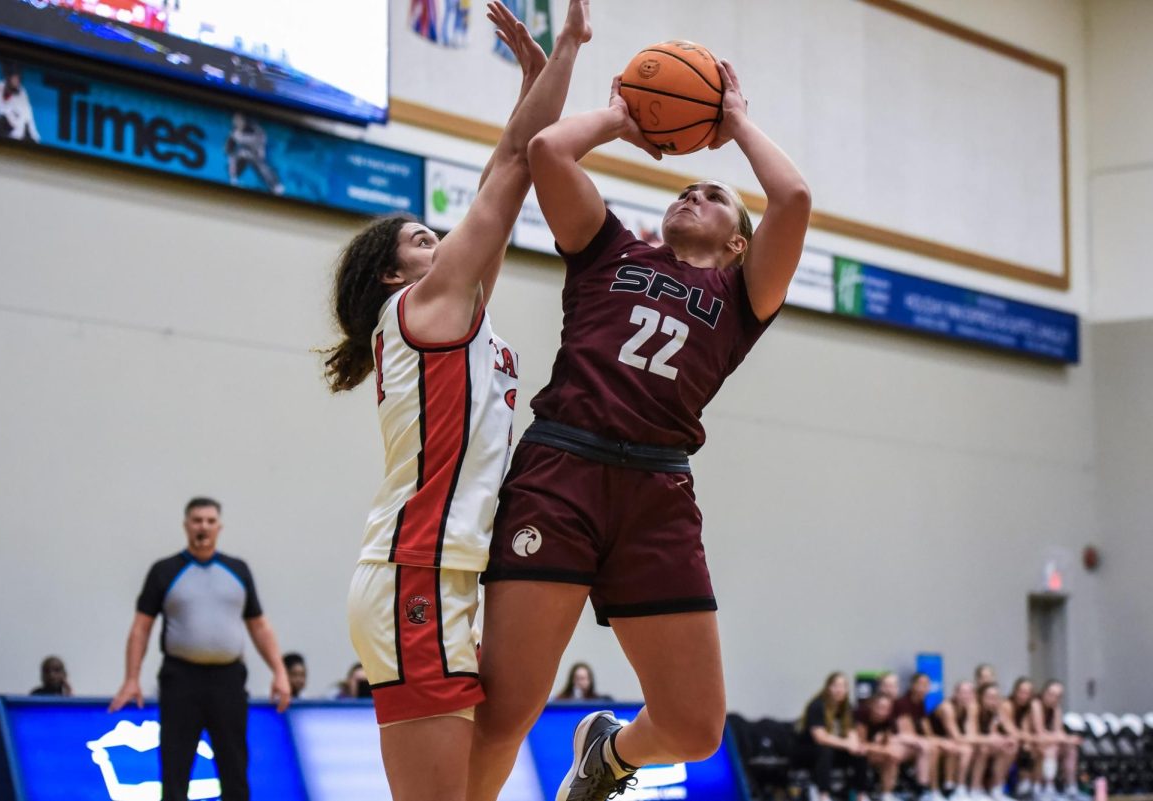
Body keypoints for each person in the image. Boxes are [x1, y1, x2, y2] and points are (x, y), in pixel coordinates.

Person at [467, 47, 811, 801]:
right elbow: (548, 148)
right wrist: (624, 119)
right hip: (563, 470)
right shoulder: (608, 248)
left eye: (713, 195)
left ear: (736, 243)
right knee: (507, 706)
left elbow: (793, 198)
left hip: (657, 488)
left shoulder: (742, 295)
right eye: (686, 187)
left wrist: (735, 123)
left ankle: (610, 754)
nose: (693, 192)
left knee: (695, 727)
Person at [325, 4, 590, 800]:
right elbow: (513, 169)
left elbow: (499, 180)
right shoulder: (419, 312)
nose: (436, 240)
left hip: (444, 573)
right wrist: (568, 55)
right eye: (417, 239)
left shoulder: (454, 311)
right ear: (390, 273)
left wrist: (532, 85)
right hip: (416, 571)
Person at [108, 497, 291, 801]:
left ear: (219, 527)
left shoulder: (237, 570)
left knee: (234, 767)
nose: (203, 527)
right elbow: (141, 627)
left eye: (209, 521)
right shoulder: (164, 571)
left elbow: (259, 626)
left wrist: (279, 672)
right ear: (186, 526)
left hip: (228, 681)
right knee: (176, 767)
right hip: (181, 679)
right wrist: (132, 679)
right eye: (197, 521)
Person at [867, 673, 942, 801]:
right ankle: (886, 793)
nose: (891, 689)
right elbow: (875, 736)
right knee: (893, 753)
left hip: (892, 743)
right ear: (880, 687)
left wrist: (926, 741)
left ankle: (924, 790)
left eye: (894, 686)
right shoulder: (871, 705)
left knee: (930, 749)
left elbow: (904, 733)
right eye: (887, 685)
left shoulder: (899, 705)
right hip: (871, 747)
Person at [797, 673, 870, 801]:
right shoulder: (817, 705)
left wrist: (855, 745)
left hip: (834, 749)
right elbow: (820, 737)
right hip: (808, 750)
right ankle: (823, 794)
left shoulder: (846, 708)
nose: (839, 689)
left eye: (843, 686)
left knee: (860, 752)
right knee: (825, 750)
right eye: (835, 685)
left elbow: (851, 732)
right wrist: (846, 744)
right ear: (828, 687)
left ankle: (861, 794)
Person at [897, 672, 965, 801]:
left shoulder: (921, 704)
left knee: (950, 746)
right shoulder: (903, 703)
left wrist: (939, 740)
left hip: (921, 740)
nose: (924, 688)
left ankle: (949, 787)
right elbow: (908, 733)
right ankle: (932, 790)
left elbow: (927, 730)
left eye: (927, 685)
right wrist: (935, 741)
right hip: (906, 743)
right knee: (932, 749)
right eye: (921, 684)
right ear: (912, 685)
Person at [930, 681, 984, 801]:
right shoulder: (946, 707)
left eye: (970, 693)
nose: (966, 696)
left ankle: (974, 788)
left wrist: (971, 714)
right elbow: (956, 737)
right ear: (955, 693)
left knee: (981, 749)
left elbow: (972, 734)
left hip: (951, 743)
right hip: (934, 741)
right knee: (966, 750)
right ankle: (956, 787)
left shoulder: (970, 707)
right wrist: (988, 739)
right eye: (963, 692)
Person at [1035, 680, 1083, 801]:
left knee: (1070, 749)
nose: (1054, 698)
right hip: (1033, 742)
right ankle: (1047, 787)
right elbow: (1040, 733)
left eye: (1058, 696)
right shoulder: (1036, 704)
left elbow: (1058, 731)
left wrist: (1066, 740)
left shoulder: (1056, 708)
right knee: (1051, 749)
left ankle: (1071, 786)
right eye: (1051, 694)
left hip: (1049, 742)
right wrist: (1067, 738)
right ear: (1043, 693)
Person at [973, 683, 1019, 801]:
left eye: (996, 697)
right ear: (981, 697)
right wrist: (991, 739)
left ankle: (997, 788)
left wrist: (1009, 738)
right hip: (972, 744)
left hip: (987, 743)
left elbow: (1012, 731)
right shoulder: (974, 708)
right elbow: (971, 735)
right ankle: (975, 789)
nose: (993, 700)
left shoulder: (998, 710)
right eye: (989, 697)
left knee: (1010, 748)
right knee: (984, 749)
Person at [225, 112, 284, 195]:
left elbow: (259, 140)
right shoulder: (234, 131)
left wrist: (240, 138)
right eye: (235, 120)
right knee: (234, 157)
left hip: (258, 154)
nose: (237, 122)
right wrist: (232, 147)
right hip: (244, 154)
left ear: (245, 120)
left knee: (261, 166)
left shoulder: (255, 129)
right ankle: (234, 180)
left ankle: (275, 186)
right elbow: (228, 148)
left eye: (239, 120)